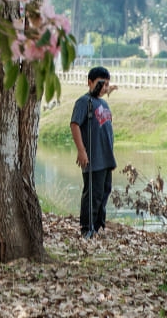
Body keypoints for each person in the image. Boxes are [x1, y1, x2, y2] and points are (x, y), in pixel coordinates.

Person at [70, 66, 115, 238]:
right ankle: (86, 229)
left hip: (106, 157)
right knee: (92, 194)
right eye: (101, 83)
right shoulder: (84, 102)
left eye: (107, 85)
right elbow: (75, 124)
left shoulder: (104, 103)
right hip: (93, 158)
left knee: (104, 191)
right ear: (90, 83)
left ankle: (98, 226)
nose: (104, 87)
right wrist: (81, 150)